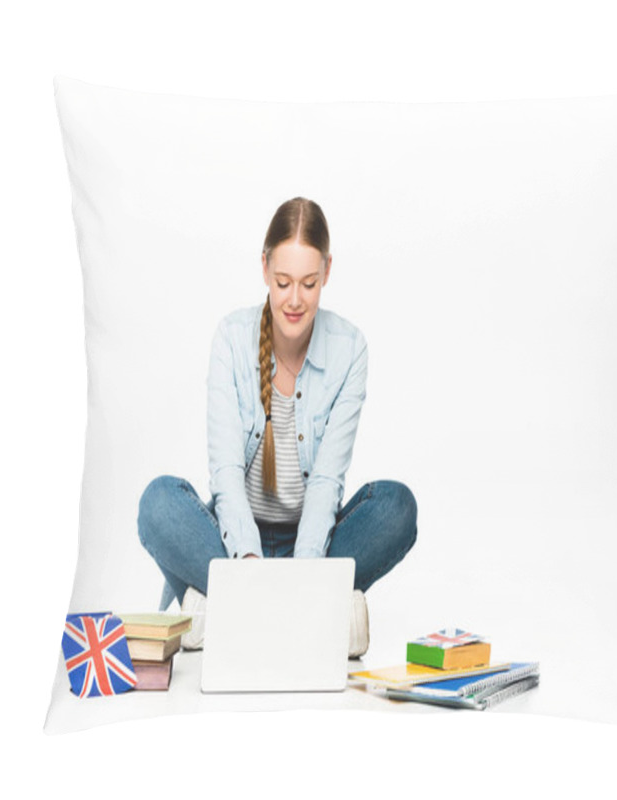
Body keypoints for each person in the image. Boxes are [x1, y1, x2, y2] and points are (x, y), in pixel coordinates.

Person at [137, 197, 418, 657]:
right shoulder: (231, 337)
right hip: (231, 544)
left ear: (327, 272)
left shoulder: (350, 349)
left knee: (397, 507)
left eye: (308, 283)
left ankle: (223, 615)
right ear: (264, 267)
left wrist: (305, 573)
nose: (294, 299)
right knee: (159, 503)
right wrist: (248, 565)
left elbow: (327, 480)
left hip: (314, 543)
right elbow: (225, 474)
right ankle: (317, 619)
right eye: (283, 282)